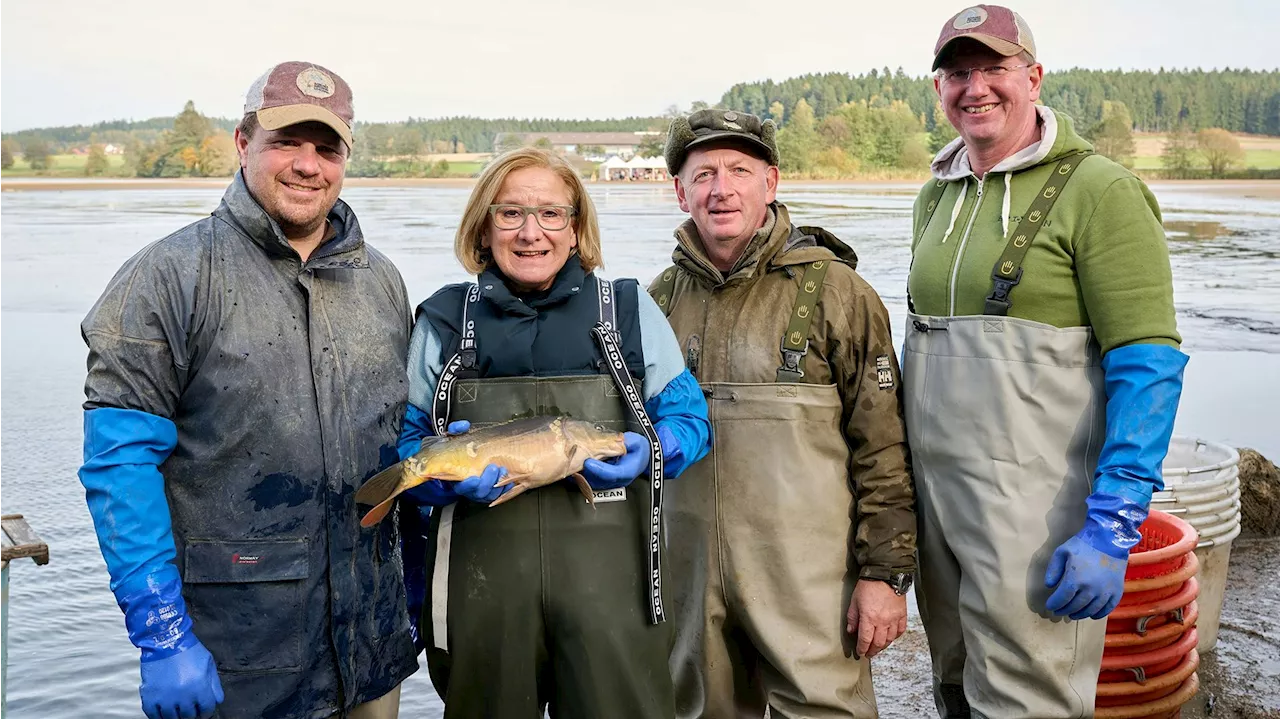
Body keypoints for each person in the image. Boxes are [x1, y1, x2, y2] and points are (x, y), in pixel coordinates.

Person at [78, 62, 417, 719]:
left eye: (326, 148)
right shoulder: (167, 278)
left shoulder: (382, 282)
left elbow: (395, 436)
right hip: (238, 660)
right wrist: (162, 635)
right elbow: (120, 466)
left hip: (370, 655)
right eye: (285, 142)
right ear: (242, 143)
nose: (307, 165)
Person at [904, 6, 1189, 717]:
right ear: (938, 88)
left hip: (1037, 520)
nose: (975, 88)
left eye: (994, 69)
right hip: (939, 515)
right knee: (955, 684)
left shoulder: (1103, 192)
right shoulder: (934, 197)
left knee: (1028, 699)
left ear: (1033, 78)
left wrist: (1115, 521)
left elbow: (1148, 362)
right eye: (958, 72)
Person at [395, 147, 711, 719]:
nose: (530, 232)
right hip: (481, 597)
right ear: (483, 229)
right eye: (510, 213)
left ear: (576, 228)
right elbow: (405, 444)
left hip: (614, 597)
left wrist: (653, 449)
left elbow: (691, 419)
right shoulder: (443, 320)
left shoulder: (630, 311)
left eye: (551, 214)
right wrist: (439, 482)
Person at [649, 108, 917, 719]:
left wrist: (886, 575)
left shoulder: (838, 292)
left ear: (771, 183)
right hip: (692, 586)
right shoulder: (654, 301)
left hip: (811, 586)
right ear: (680, 190)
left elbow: (884, 447)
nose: (722, 188)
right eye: (704, 172)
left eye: (740, 170)